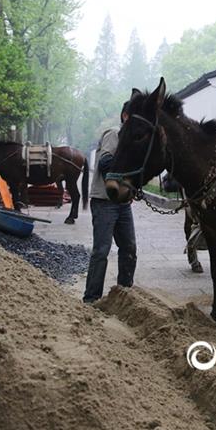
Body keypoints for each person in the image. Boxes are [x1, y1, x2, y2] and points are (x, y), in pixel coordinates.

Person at [82, 100, 137, 303]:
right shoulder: (114, 134)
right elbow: (105, 162)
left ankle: (124, 294)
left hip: (122, 203)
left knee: (129, 247)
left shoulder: (132, 141)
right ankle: (91, 298)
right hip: (105, 201)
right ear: (125, 116)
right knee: (101, 250)